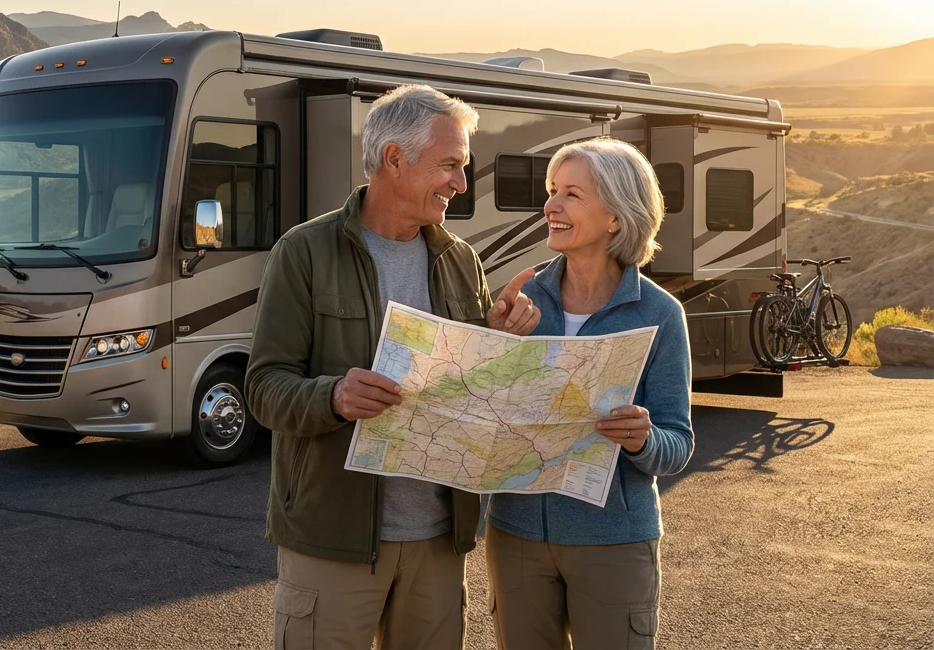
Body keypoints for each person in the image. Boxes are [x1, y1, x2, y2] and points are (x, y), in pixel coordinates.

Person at [245, 84, 542, 649]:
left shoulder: (460, 260)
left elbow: (471, 389)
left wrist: (498, 341)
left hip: (436, 540)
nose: (460, 182)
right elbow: (263, 387)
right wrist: (332, 397)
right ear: (394, 159)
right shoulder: (303, 253)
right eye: (450, 165)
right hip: (332, 542)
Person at [483, 136, 695, 650]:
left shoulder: (660, 314)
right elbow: (481, 414)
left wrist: (642, 438)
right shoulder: (521, 300)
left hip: (614, 542)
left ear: (616, 218)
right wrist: (493, 350)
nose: (550, 206)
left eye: (571, 194)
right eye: (552, 191)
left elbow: (678, 444)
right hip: (515, 537)